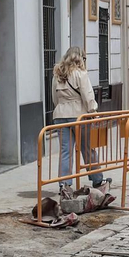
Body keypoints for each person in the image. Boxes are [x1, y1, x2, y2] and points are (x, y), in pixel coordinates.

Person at [50, 48, 107, 196]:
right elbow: (88, 96)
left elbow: (54, 99)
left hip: (60, 115)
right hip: (79, 116)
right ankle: (97, 180)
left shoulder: (57, 76)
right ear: (80, 59)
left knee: (65, 151)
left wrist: (62, 108)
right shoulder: (81, 74)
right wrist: (93, 110)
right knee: (87, 148)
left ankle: (64, 185)